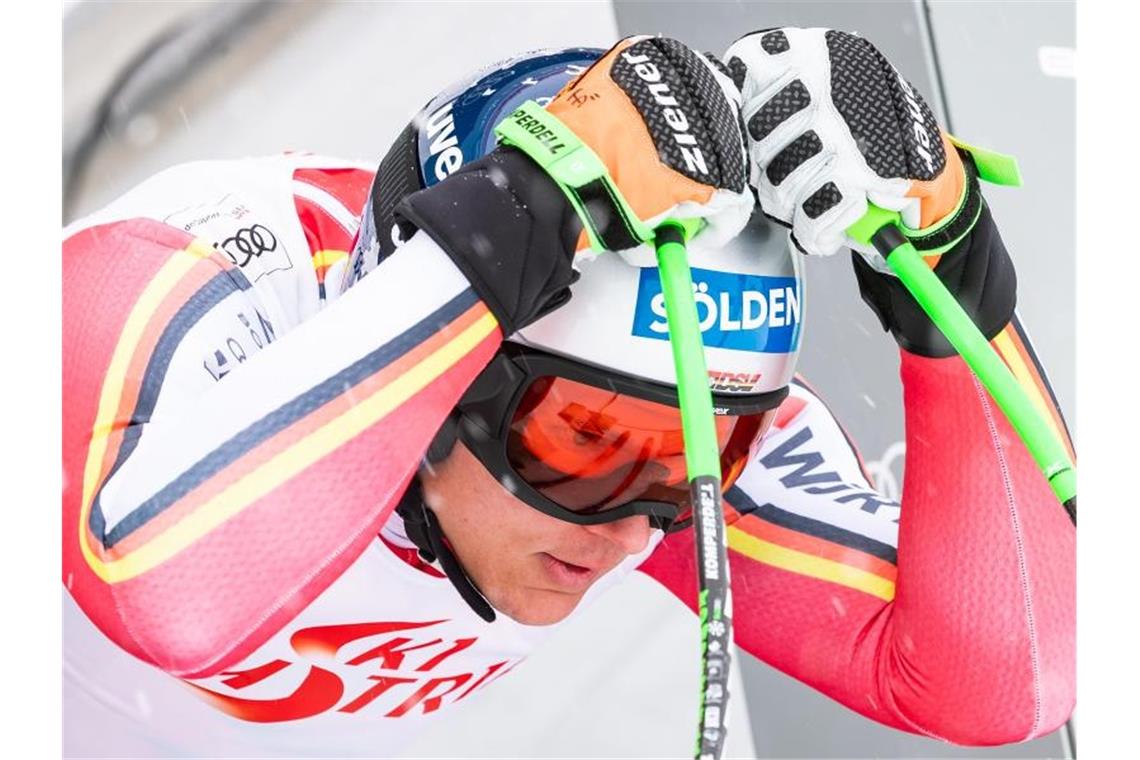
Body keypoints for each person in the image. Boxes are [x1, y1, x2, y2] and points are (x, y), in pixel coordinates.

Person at [62, 29, 1075, 757]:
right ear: (460, 360)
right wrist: (518, 218)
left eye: (696, 464)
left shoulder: (657, 420)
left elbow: (1002, 681)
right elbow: (162, 593)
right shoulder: (165, 275)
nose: (633, 534)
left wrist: (957, 288)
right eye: (583, 440)